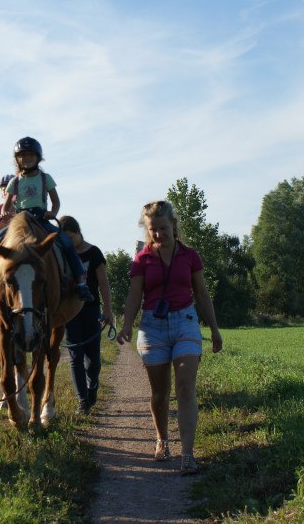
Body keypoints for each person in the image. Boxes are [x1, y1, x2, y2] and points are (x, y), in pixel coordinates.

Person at [115, 199, 223, 474]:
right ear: (147, 230)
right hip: (152, 326)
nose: (158, 234)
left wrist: (213, 328)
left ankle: (188, 453)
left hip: (185, 321)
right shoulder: (143, 259)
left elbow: (201, 294)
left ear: (174, 225)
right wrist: (127, 324)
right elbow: (134, 295)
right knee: (160, 393)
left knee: (186, 385)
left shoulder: (190, 255)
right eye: (153, 230)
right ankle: (162, 440)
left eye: (163, 228)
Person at [0, 136, 92, 303]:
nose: (26, 158)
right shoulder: (15, 182)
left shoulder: (46, 179)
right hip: (20, 219)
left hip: (41, 218)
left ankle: (81, 282)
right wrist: (4, 213)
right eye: (22, 155)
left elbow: (56, 201)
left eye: (30, 155)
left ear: (38, 157)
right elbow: (6, 204)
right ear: (17, 159)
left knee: (66, 242)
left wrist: (53, 212)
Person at [59, 215, 113, 415]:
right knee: (75, 356)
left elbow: (104, 285)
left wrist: (108, 310)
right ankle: (82, 400)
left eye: (70, 238)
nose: (69, 243)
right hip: (70, 312)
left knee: (93, 360)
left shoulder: (94, 253)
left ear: (78, 233)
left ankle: (93, 387)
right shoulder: (63, 255)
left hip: (91, 310)